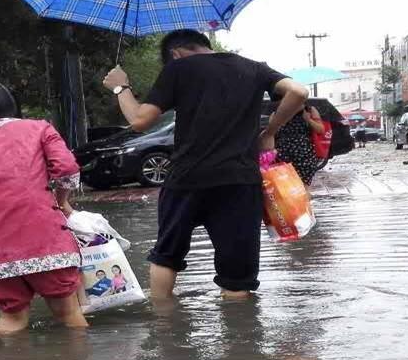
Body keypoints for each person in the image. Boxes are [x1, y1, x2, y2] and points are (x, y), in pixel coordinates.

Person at [103, 30, 309, 300]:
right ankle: (240, 338)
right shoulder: (254, 68)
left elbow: (140, 120)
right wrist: (270, 131)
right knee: (237, 279)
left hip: (187, 179)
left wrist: (121, 87)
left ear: (175, 53)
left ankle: (165, 328)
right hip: (239, 181)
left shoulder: (179, 68)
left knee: (167, 256)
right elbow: (299, 91)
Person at [0, 77, 88, 335]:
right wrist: (61, 200)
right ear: (7, 103)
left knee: (12, 320)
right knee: (67, 313)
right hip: (43, 240)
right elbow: (67, 170)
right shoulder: (38, 129)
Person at [274, 105, 331, 186]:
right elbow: (272, 133)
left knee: (303, 187)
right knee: (285, 187)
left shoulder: (309, 110)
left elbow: (321, 130)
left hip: (304, 155)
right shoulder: (279, 109)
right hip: (282, 154)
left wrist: (308, 120)